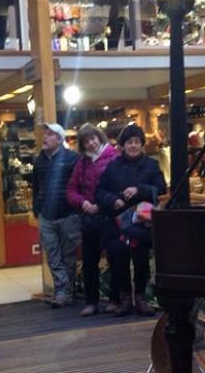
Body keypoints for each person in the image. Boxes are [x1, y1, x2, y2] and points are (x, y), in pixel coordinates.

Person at [95, 124, 166, 317]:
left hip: (140, 222)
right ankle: (125, 299)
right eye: (129, 142)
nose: (133, 145)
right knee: (119, 262)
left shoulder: (151, 165)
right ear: (123, 145)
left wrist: (140, 189)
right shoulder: (112, 166)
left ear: (141, 144)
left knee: (141, 261)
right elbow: (99, 192)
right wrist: (113, 200)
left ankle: (141, 299)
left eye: (136, 142)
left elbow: (161, 188)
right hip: (116, 223)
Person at [65, 123, 119, 316]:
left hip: (110, 217)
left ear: (100, 138)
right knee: (89, 261)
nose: (91, 143)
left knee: (115, 260)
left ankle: (114, 300)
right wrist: (83, 203)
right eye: (86, 141)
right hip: (89, 219)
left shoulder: (114, 158)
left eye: (93, 139)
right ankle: (91, 302)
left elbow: (118, 187)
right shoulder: (82, 163)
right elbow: (71, 190)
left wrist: (102, 204)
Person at [32, 122, 78, 308]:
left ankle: (68, 290)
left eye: (50, 134)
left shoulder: (71, 159)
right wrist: (37, 208)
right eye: (45, 134)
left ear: (59, 139)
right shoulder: (39, 161)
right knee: (53, 255)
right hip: (46, 215)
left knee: (69, 255)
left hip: (68, 213)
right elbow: (36, 186)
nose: (45, 137)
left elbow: (78, 185)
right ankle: (61, 291)